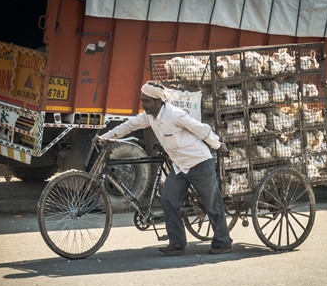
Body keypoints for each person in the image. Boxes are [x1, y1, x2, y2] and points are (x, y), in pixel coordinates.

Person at [92, 80, 232, 255]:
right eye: (142, 100)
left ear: (158, 101)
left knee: (213, 203)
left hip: (199, 163)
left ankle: (222, 242)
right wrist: (105, 137)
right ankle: (177, 243)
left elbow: (201, 129)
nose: (143, 105)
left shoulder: (174, 115)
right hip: (180, 167)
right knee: (168, 200)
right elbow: (129, 125)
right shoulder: (149, 117)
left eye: (147, 101)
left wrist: (218, 145)